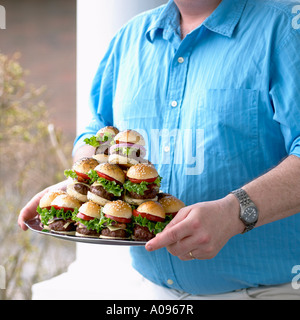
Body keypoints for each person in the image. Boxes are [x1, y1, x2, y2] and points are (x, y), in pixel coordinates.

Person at [19, 0, 300, 300]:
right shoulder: (128, 39)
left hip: (268, 293)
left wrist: (234, 213)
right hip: (152, 294)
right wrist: (88, 184)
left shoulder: (285, 28)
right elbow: (98, 132)